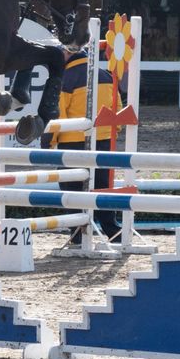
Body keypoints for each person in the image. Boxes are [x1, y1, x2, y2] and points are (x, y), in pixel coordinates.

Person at [40, 47, 123, 241]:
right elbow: (118, 108)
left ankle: (77, 233)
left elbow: (57, 114)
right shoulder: (106, 75)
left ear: (68, 53)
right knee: (103, 187)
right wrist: (111, 133)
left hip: (73, 144)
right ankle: (113, 231)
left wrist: (48, 141)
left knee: (72, 190)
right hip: (104, 142)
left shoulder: (65, 78)